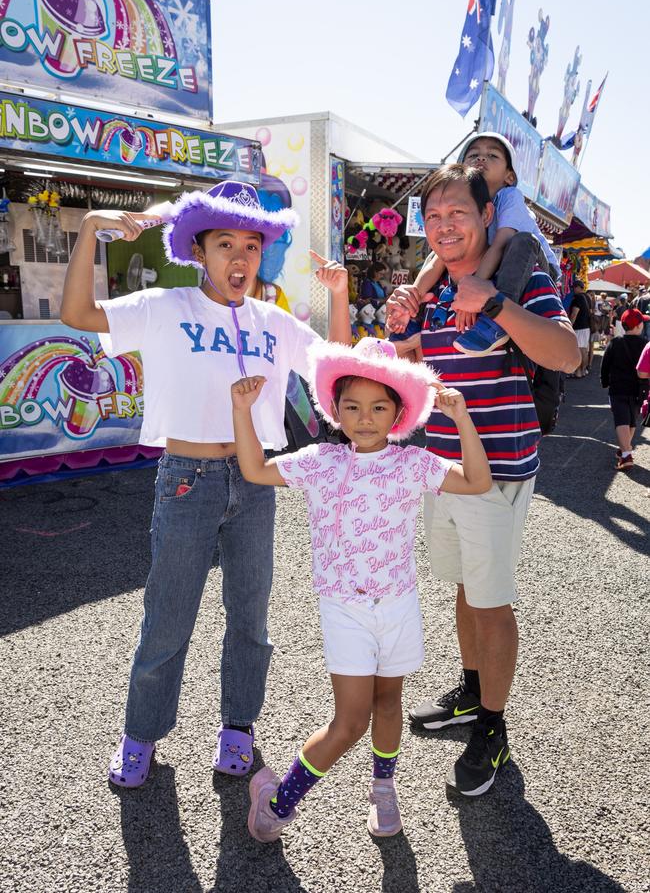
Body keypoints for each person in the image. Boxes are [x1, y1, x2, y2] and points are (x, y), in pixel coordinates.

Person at [60, 180, 351, 788]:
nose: (240, 257)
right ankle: (139, 737)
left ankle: (237, 731)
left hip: (256, 479)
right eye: (225, 243)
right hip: (186, 478)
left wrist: (342, 296)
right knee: (168, 618)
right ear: (198, 249)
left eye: (251, 243)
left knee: (250, 618)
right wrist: (90, 230)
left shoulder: (274, 321)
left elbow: (339, 370)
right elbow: (78, 316)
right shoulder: (165, 305)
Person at [230, 336, 492, 841]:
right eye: (352, 406)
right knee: (349, 723)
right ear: (335, 410)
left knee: (390, 703)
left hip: (398, 605)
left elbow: (478, 481)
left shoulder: (412, 463)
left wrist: (462, 419)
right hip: (344, 610)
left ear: (398, 414)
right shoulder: (320, 461)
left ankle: (384, 789)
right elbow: (254, 469)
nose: (365, 417)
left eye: (378, 407)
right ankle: (279, 803)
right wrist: (241, 410)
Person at [386, 164, 580, 797]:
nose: (445, 226)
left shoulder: (520, 279)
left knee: (492, 602)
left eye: (458, 214)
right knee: (467, 586)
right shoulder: (435, 290)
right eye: (434, 216)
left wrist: (496, 303)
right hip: (443, 467)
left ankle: (493, 731)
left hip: (497, 471)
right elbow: (413, 363)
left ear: (485, 216)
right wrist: (399, 331)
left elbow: (568, 354)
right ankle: (473, 694)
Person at [387, 133, 560, 356]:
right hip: (497, 264)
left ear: (509, 176)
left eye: (492, 155)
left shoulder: (510, 197)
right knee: (441, 252)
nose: (481, 159)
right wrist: (411, 300)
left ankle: (495, 323)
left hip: (531, 262)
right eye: (474, 155)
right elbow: (436, 261)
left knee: (522, 241)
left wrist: (471, 292)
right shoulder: (468, 210)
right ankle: (414, 316)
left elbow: (500, 246)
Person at [600, 307, 649, 470]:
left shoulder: (616, 342)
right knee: (631, 420)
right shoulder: (645, 344)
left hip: (618, 387)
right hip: (639, 388)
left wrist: (605, 381)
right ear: (638, 326)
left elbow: (605, 364)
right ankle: (624, 449)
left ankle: (626, 454)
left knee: (620, 419)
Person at [568, 279, 592, 377]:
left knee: (579, 350)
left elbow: (574, 314)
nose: (573, 289)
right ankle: (583, 371)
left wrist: (569, 326)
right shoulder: (588, 297)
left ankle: (578, 372)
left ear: (578, 287)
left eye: (574, 287)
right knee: (584, 350)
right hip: (586, 326)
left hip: (579, 327)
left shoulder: (577, 298)